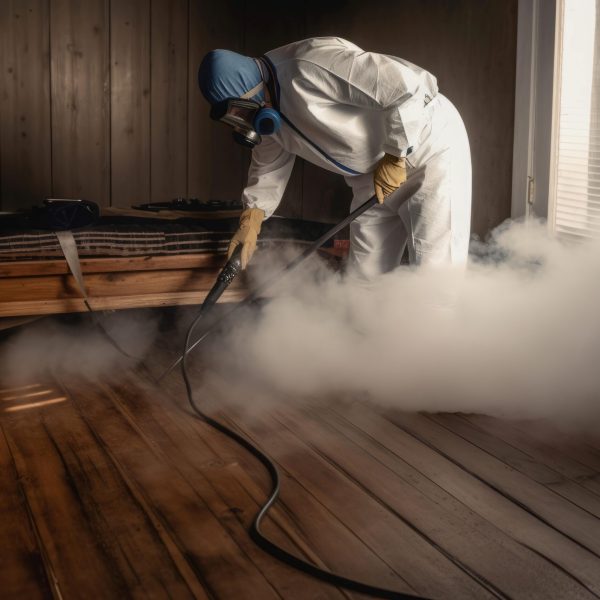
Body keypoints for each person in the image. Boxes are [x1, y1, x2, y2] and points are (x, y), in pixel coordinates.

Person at [198, 37, 471, 279]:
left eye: (242, 113)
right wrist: (252, 217)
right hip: (372, 176)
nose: (245, 123)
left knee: (436, 274)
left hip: (428, 150)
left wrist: (396, 153)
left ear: (251, 87)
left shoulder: (309, 64)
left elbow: (411, 89)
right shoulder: (267, 111)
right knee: (364, 282)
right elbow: (268, 163)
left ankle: (439, 336)